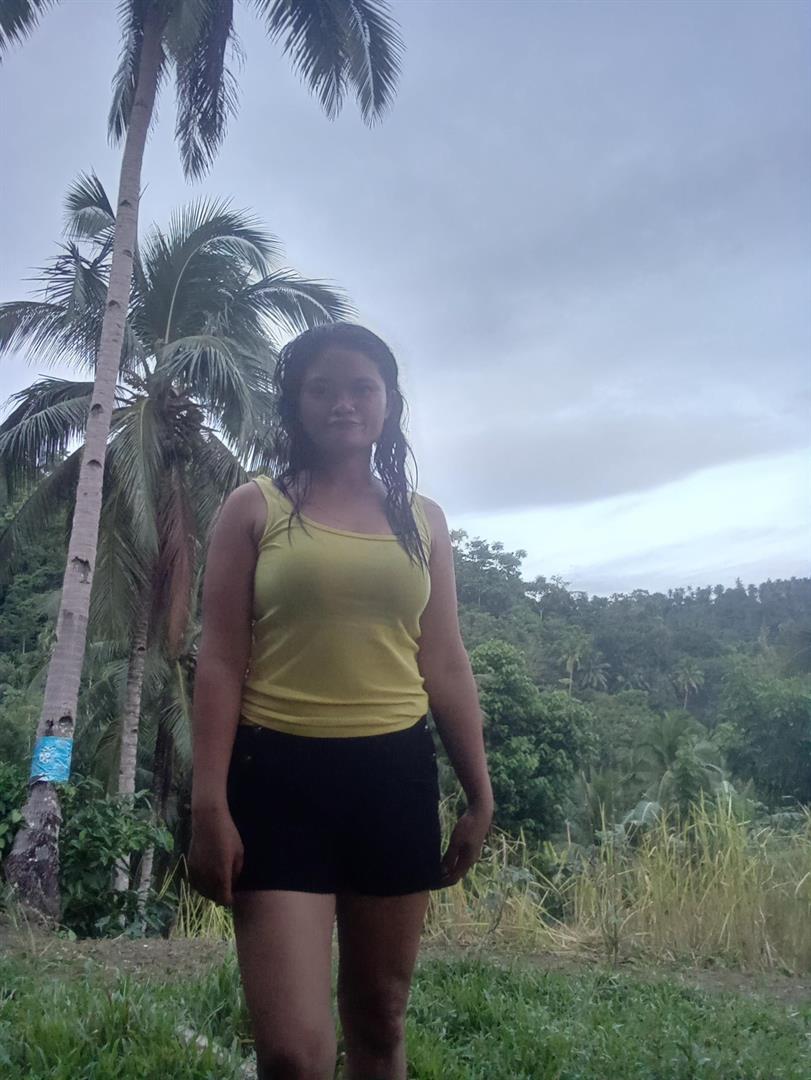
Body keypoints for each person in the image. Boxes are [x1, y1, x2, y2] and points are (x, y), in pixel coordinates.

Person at [188, 322, 494, 1080]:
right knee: (293, 1054)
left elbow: (444, 660)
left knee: (380, 1019)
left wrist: (479, 793)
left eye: (362, 388)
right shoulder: (253, 508)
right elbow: (220, 661)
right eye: (321, 389)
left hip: (393, 778)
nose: (342, 404)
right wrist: (208, 803)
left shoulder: (423, 520)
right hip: (276, 780)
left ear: (389, 403)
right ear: (296, 403)